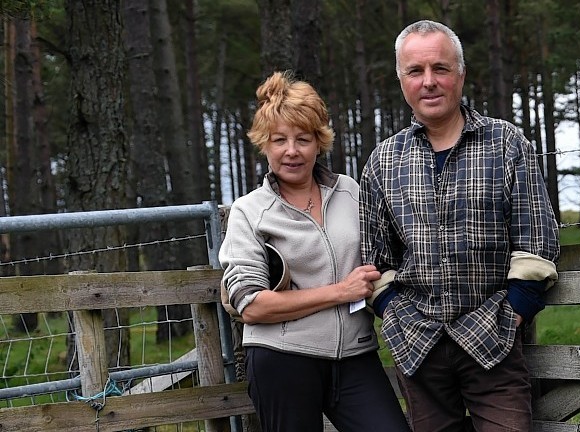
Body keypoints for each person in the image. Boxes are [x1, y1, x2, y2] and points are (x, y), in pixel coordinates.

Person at [359, 20, 560, 432]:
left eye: (441, 69)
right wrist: (395, 315)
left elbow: (536, 244)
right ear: (402, 81)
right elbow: (374, 260)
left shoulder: (507, 144)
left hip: (494, 341)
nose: (429, 82)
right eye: (415, 71)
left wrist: (513, 315)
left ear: (461, 75)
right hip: (417, 349)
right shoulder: (383, 162)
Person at [219, 71, 411, 432]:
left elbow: (385, 256)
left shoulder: (351, 192)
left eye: (303, 139)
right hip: (282, 359)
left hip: (356, 356)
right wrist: (341, 291)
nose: (291, 151)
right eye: (280, 140)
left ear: (319, 142)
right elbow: (252, 305)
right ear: (265, 144)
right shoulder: (249, 211)